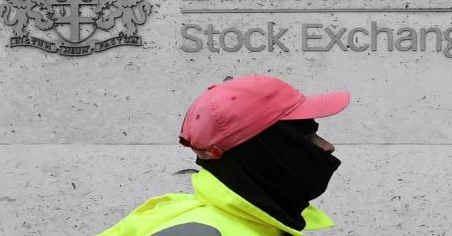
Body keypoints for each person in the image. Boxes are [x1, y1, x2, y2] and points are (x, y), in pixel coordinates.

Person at [99, 75, 350, 236]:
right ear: (259, 154)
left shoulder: (254, 227)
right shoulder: (201, 233)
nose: (327, 147)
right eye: (306, 139)